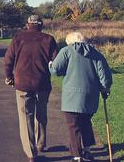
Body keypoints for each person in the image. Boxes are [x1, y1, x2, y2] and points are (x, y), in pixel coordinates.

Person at [49, 32, 112, 162]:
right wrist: (105, 89)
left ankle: (77, 156)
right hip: (90, 96)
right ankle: (87, 150)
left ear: (70, 42)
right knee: (85, 122)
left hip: (71, 97)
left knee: (73, 125)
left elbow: (56, 70)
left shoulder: (66, 51)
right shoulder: (96, 53)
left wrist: (50, 65)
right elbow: (104, 76)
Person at [4, 15, 58, 162]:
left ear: (28, 24)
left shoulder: (18, 38)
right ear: (41, 25)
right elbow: (56, 62)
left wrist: (9, 76)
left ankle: (31, 153)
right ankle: (41, 144)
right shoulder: (49, 39)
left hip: (22, 83)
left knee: (25, 117)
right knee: (41, 113)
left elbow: (8, 59)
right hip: (42, 83)